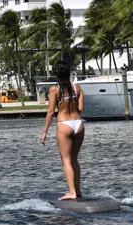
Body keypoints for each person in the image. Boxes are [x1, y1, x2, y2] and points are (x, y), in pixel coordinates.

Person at [40, 60, 85, 200]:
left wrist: (44, 132)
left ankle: (71, 192)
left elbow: (51, 112)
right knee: (74, 160)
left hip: (64, 124)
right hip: (78, 124)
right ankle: (77, 191)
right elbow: (81, 108)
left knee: (66, 160)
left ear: (57, 74)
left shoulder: (54, 90)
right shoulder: (77, 87)